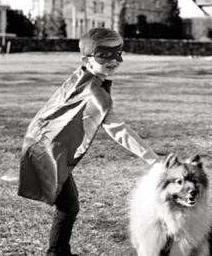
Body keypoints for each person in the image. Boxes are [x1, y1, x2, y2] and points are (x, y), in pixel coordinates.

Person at [18, 27, 160, 256]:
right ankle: (55, 252)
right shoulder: (94, 92)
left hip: (47, 146)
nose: (114, 60)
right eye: (104, 55)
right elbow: (118, 130)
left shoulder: (85, 76)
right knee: (68, 206)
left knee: (69, 205)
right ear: (87, 59)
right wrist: (153, 159)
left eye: (118, 53)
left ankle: (59, 251)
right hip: (46, 150)